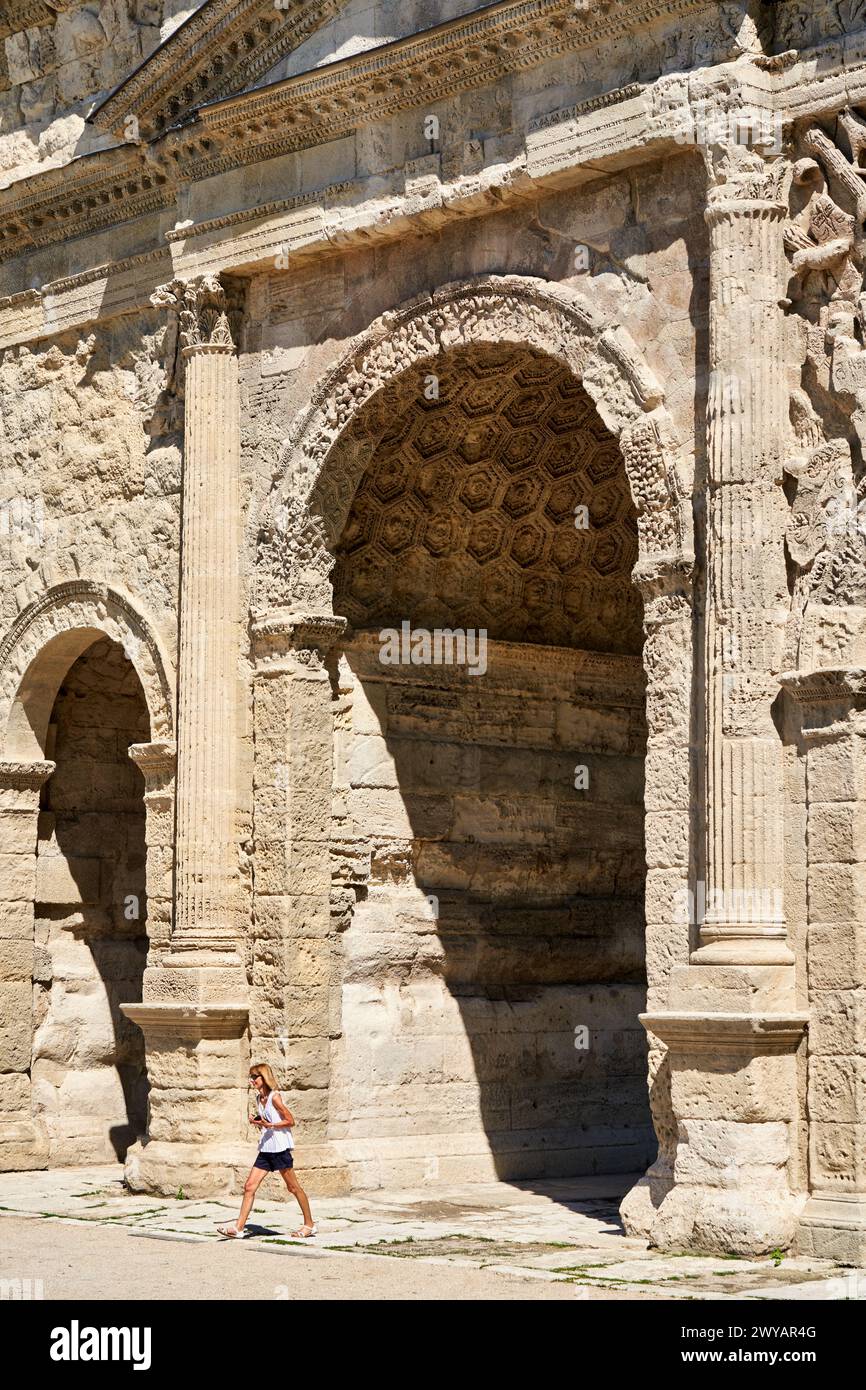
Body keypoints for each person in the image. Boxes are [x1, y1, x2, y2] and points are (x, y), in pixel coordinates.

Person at [217, 1063, 317, 1240]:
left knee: (293, 1187)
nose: (252, 1080)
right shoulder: (258, 1099)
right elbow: (268, 1120)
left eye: (255, 1077)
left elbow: (290, 1121)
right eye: (251, 1077)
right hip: (266, 1148)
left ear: (264, 1078)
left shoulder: (275, 1098)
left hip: (279, 1149)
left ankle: (309, 1225)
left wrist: (268, 1124)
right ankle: (239, 1228)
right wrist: (258, 1121)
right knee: (249, 1186)